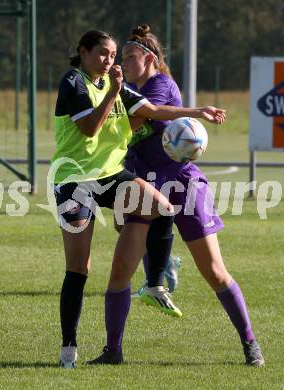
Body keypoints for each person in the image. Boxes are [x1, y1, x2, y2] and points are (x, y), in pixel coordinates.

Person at [52, 30, 226, 368]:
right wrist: (115, 92)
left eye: (113, 54)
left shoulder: (115, 86)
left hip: (111, 176)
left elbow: (155, 110)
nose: (109, 61)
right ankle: (68, 348)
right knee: (79, 267)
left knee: (161, 206)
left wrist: (198, 111)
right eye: (102, 53)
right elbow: (90, 128)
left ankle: (155, 284)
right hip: (74, 181)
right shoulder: (73, 82)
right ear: (83, 52)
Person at [117, 24, 264, 367]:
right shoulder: (126, 88)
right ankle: (114, 349)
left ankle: (250, 342)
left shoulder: (161, 85)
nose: (123, 62)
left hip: (181, 183)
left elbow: (137, 122)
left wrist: (115, 102)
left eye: (129, 56)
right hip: (147, 180)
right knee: (121, 265)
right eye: (121, 57)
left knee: (214, 271)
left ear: (149, 58)